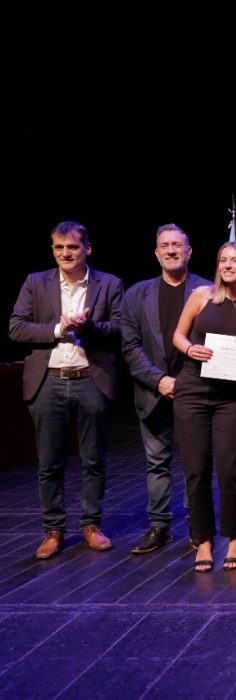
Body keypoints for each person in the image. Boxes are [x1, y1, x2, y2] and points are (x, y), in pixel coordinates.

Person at [9, 221, 123, 560]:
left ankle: (90, 524)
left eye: (72, 247)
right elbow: (16, 327)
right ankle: (53, 530)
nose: (65, 254)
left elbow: (119, 328)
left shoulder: (109, 284)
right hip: (49, 380)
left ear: (87, 248)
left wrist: (89, 327)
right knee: (50, 462)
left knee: (93, 459)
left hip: (91, 377)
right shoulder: (35, 282)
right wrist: (59, 328)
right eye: (58, 248)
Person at [173, 242, 236, 572]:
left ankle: (235, 537)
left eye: (235, 261)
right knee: (196, 468)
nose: (228, 265)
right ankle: (202, 539)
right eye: (223, 260)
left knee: (231, 467)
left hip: (232, 397)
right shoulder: (201, 295)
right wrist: (190, 350)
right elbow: (178, 336)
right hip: (193, 390)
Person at [121, 224, 209, 554]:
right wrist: (159, 380)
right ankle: (159, 527)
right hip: (154, 391)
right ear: (156, 254)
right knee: (156, 462)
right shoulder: (136, 294)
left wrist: (185, 382)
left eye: (177, 245)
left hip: (196, 391)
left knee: (196, 463)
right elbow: (130, 347)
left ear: (189, 251)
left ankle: (196, 527)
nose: (171, 250)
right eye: (164, 246)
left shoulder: (208, 290)